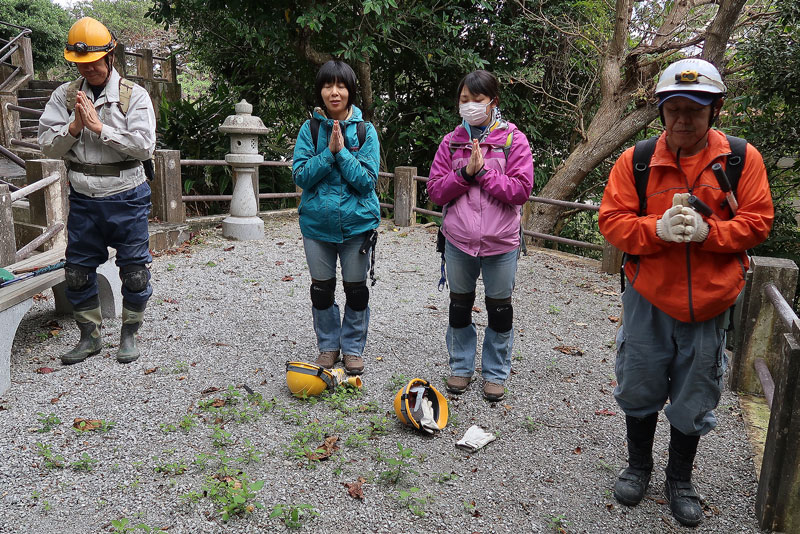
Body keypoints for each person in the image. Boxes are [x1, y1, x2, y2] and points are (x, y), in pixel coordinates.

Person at [598, 58, 773, 526]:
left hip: (711, 303)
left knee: (696, 393)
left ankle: (680, 478)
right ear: (661, 111)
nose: (682, 119)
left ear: (714, 109)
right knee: (638, 382)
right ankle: (638, 466)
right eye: (673, 108)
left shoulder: (739, 159)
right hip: (648, 298)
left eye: (694, 110)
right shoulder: (636, 161)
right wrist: (656, 230)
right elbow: (611, 222)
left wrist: (708, 234)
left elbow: (758, 222)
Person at [38, 17, 156, 365]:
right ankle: (89, 336)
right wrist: (74, 127)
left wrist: (100, 127)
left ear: (110, 56)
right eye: (80, 64)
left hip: (127, 196)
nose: (87, 69)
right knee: (77, 271)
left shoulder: (133, 96)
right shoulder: (64, 96)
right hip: (84, 198)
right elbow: (47, 146)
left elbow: (145, 146)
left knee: (134, 272)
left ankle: (129, 333)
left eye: (93, 62)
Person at [427, 70, 534, 402]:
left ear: (493, 102)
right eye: (464, 99)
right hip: (459, 240)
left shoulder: (513, 140)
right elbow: (434, 191)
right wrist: (464, 173)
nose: (470, 105)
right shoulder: (452, 142)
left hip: (501, 242)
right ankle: (460, 367)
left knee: (500, 310)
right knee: (459, 307)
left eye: (477, 99)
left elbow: (520, 190)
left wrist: (484, 173)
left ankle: (495, 373)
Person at [292, 60, 380, 375]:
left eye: (340, 85)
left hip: (357, 226)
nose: (334, 92)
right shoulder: (310, 129)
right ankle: (328, 346)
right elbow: (301, 176)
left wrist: (341, 152)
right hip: (317, 226)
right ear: (320, 91)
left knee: (356, 291)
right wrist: (327, 153)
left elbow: (367, 181)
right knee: (322, 289)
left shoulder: (365, 131)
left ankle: (353, 348)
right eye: (328, 86)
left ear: (350, 91)